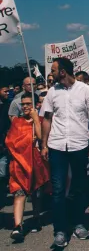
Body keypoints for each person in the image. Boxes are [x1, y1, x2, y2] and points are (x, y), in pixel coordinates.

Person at [40, 57, 89, 247]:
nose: (51, 73)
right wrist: (43, 144)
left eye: (54, 69)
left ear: (63, 72)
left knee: (79, 186)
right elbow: (47, 119)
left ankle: (79, 223)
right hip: (57, 145)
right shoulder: (52, 92)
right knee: (58, 189)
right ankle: (60, 229)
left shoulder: (85, 90)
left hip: (79, 144)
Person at [5, 94, 49, 242]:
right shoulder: (17, 122)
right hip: (20, 164)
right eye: (23, 104)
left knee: (36, 194)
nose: (25, 107)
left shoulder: (42, 121)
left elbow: (43, 139)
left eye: (28, 104)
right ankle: (17, 226)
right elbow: (11, 141)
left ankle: (36, 217)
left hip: (36, 163)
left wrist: (36, 120)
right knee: (19, 193)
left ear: (36, 105)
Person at [0, 85, 10, 206]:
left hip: (3, 144)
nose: (8, 93)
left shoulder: (7, 105)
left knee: (2, 174)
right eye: (5, 91)